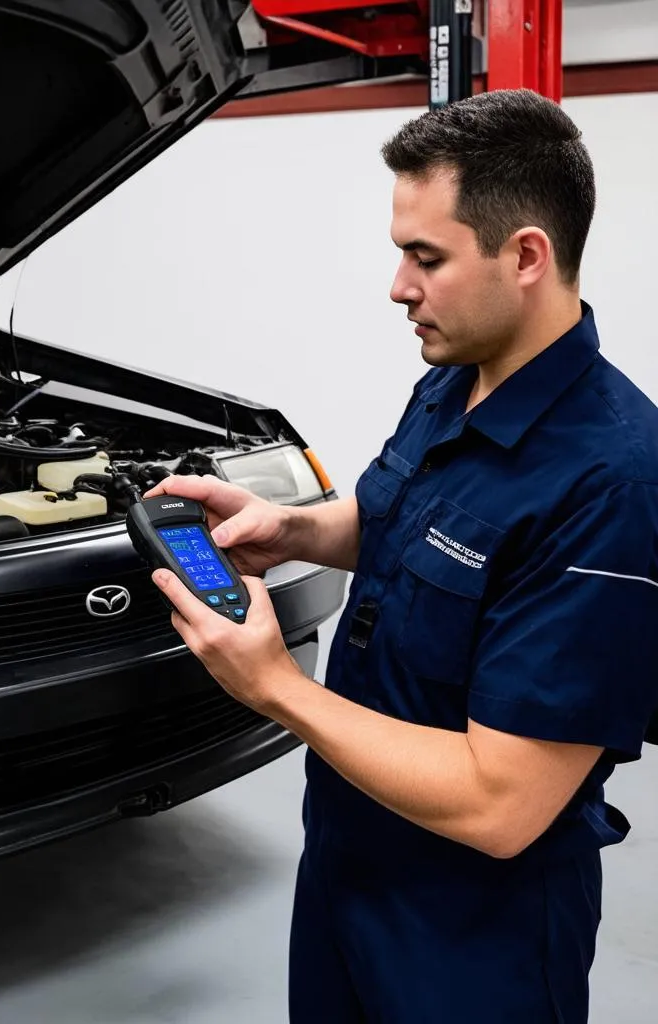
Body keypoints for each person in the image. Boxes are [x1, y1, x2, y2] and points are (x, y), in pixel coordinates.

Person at [145, 88, 658, 1022]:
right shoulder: (453, 380)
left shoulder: (612, 485)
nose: (399, 287)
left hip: (472, 932)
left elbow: (502, 808)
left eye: (427, 258)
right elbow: (401, 524)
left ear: (527, 256)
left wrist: (277, 690)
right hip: (350, 851)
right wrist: (290, 527)